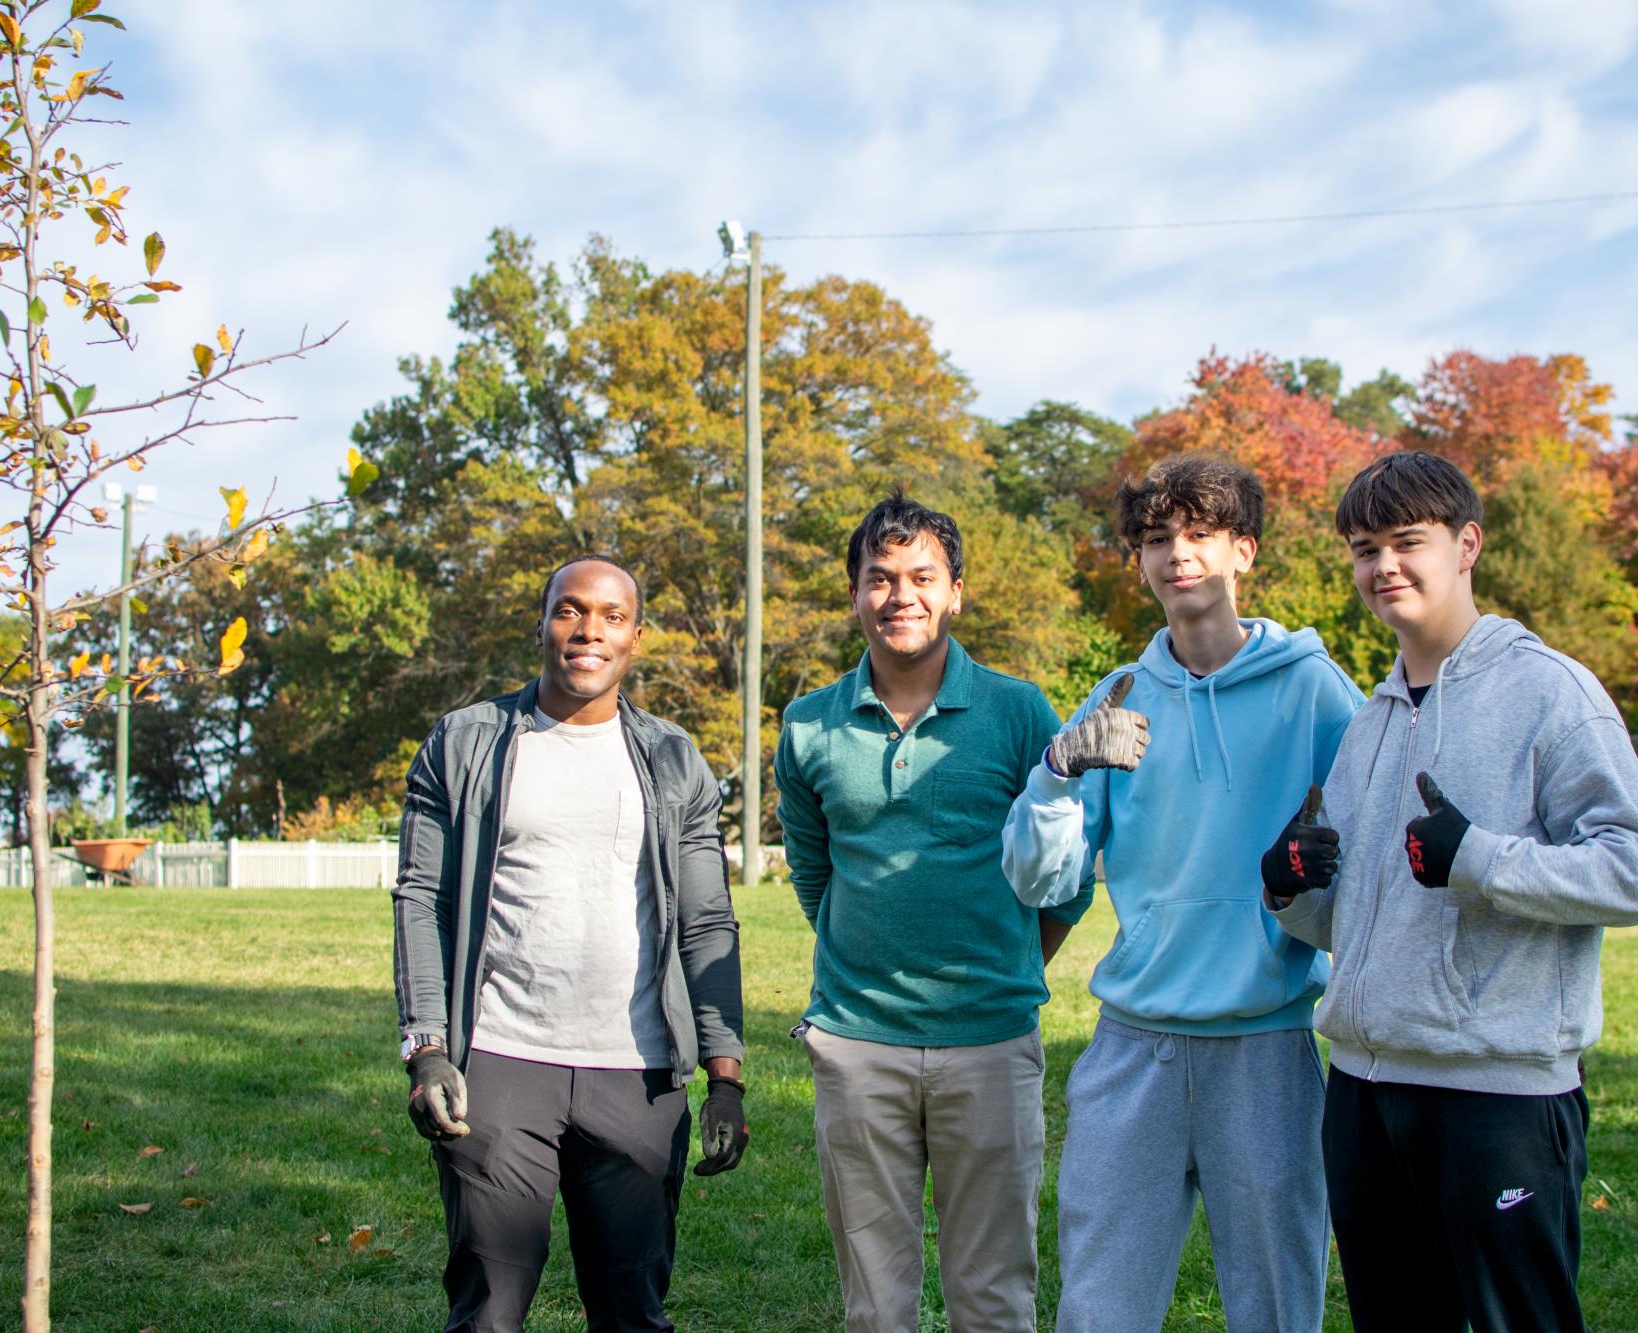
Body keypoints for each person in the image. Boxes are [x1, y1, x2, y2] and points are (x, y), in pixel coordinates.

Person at [1266, 450, 1638, 1333]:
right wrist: (1290, 891)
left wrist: (1481, 856)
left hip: (1499, 1097)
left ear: (1467, 545)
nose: (1384, 568)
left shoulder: (1550, 693)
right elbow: (1358, 922)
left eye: (1408, 542)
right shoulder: (1369, 720)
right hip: (1365, 1088)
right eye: (1365, 548)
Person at [1002, 454, 1364, 1333]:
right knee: (1100, 1309)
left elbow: (1367, 858)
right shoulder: (1119, 694)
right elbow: (1040, 877)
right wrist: (1056, 774)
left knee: (1279, 1310)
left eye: (1200, 534)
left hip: (1269, 1049)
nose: (1178, 555)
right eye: (1157, 539)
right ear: (1138, 561)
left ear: (1245, 550)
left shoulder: (1314, 689)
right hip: (1136, 1047)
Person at [391, 554, 748, 1333]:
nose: (589, 630)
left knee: (632, 1314)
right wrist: (427, 1049)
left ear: (636, 637)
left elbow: (707, 922)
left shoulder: (673, 758)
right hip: (500, 1063)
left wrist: (727, 1079)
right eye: (570, 610)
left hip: (640, 1073)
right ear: (544, 621)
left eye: (612, 616)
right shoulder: (464, 742)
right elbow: (423, 898)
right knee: (489, 1310)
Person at [776, 490, 1088, 1333]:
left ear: (957, 591)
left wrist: (1009, 961)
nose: (900, 594)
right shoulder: (807, 726)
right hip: (857, 1045)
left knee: (993, 1297)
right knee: (875, 1305)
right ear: (854, 594)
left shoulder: (1020, 712)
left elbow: (1069, 873)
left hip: (991, 1040)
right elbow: (815, 873)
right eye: (880, 578)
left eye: (922, 576)